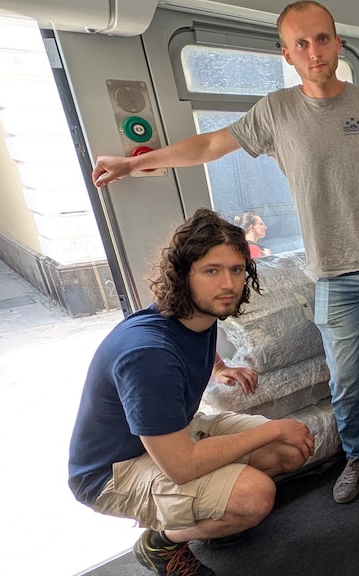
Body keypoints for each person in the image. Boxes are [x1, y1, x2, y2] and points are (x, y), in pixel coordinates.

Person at [91, 1, 359, 505]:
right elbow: (208, 147)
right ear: (287, 54)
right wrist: (138, 164)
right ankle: (357, 455)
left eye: (323, 39)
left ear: (337, 43)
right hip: (332, 274)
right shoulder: (276, 111)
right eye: (302, 44)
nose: (315, 52)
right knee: (345, 377)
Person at [68, 208, 316, 576]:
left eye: (236, 270)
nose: (228, 284)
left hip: (171, 436)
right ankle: (161, 543)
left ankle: (213, 513)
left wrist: (220, 367)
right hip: (113, 472)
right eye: (212, 271)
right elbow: (181, 466)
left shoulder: (193, 315)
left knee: (289, 450)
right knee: (255, 494)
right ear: (184, 274)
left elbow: (196, 340)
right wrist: (273, 427)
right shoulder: (148, 355)